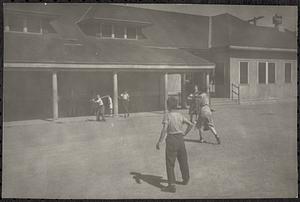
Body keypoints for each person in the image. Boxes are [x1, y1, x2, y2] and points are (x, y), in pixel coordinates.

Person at [156, 97, 194, 193]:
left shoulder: (167, 115)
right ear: (176, 105)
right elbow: (191, 124)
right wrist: (185, 133)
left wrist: (160, 141)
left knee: (170, 162)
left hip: (171, 139)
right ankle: (186, 179)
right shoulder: (180, 115)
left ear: (168, 105)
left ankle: (171, 185)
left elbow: (164, 129)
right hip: (180, 139)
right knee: (183, 160)